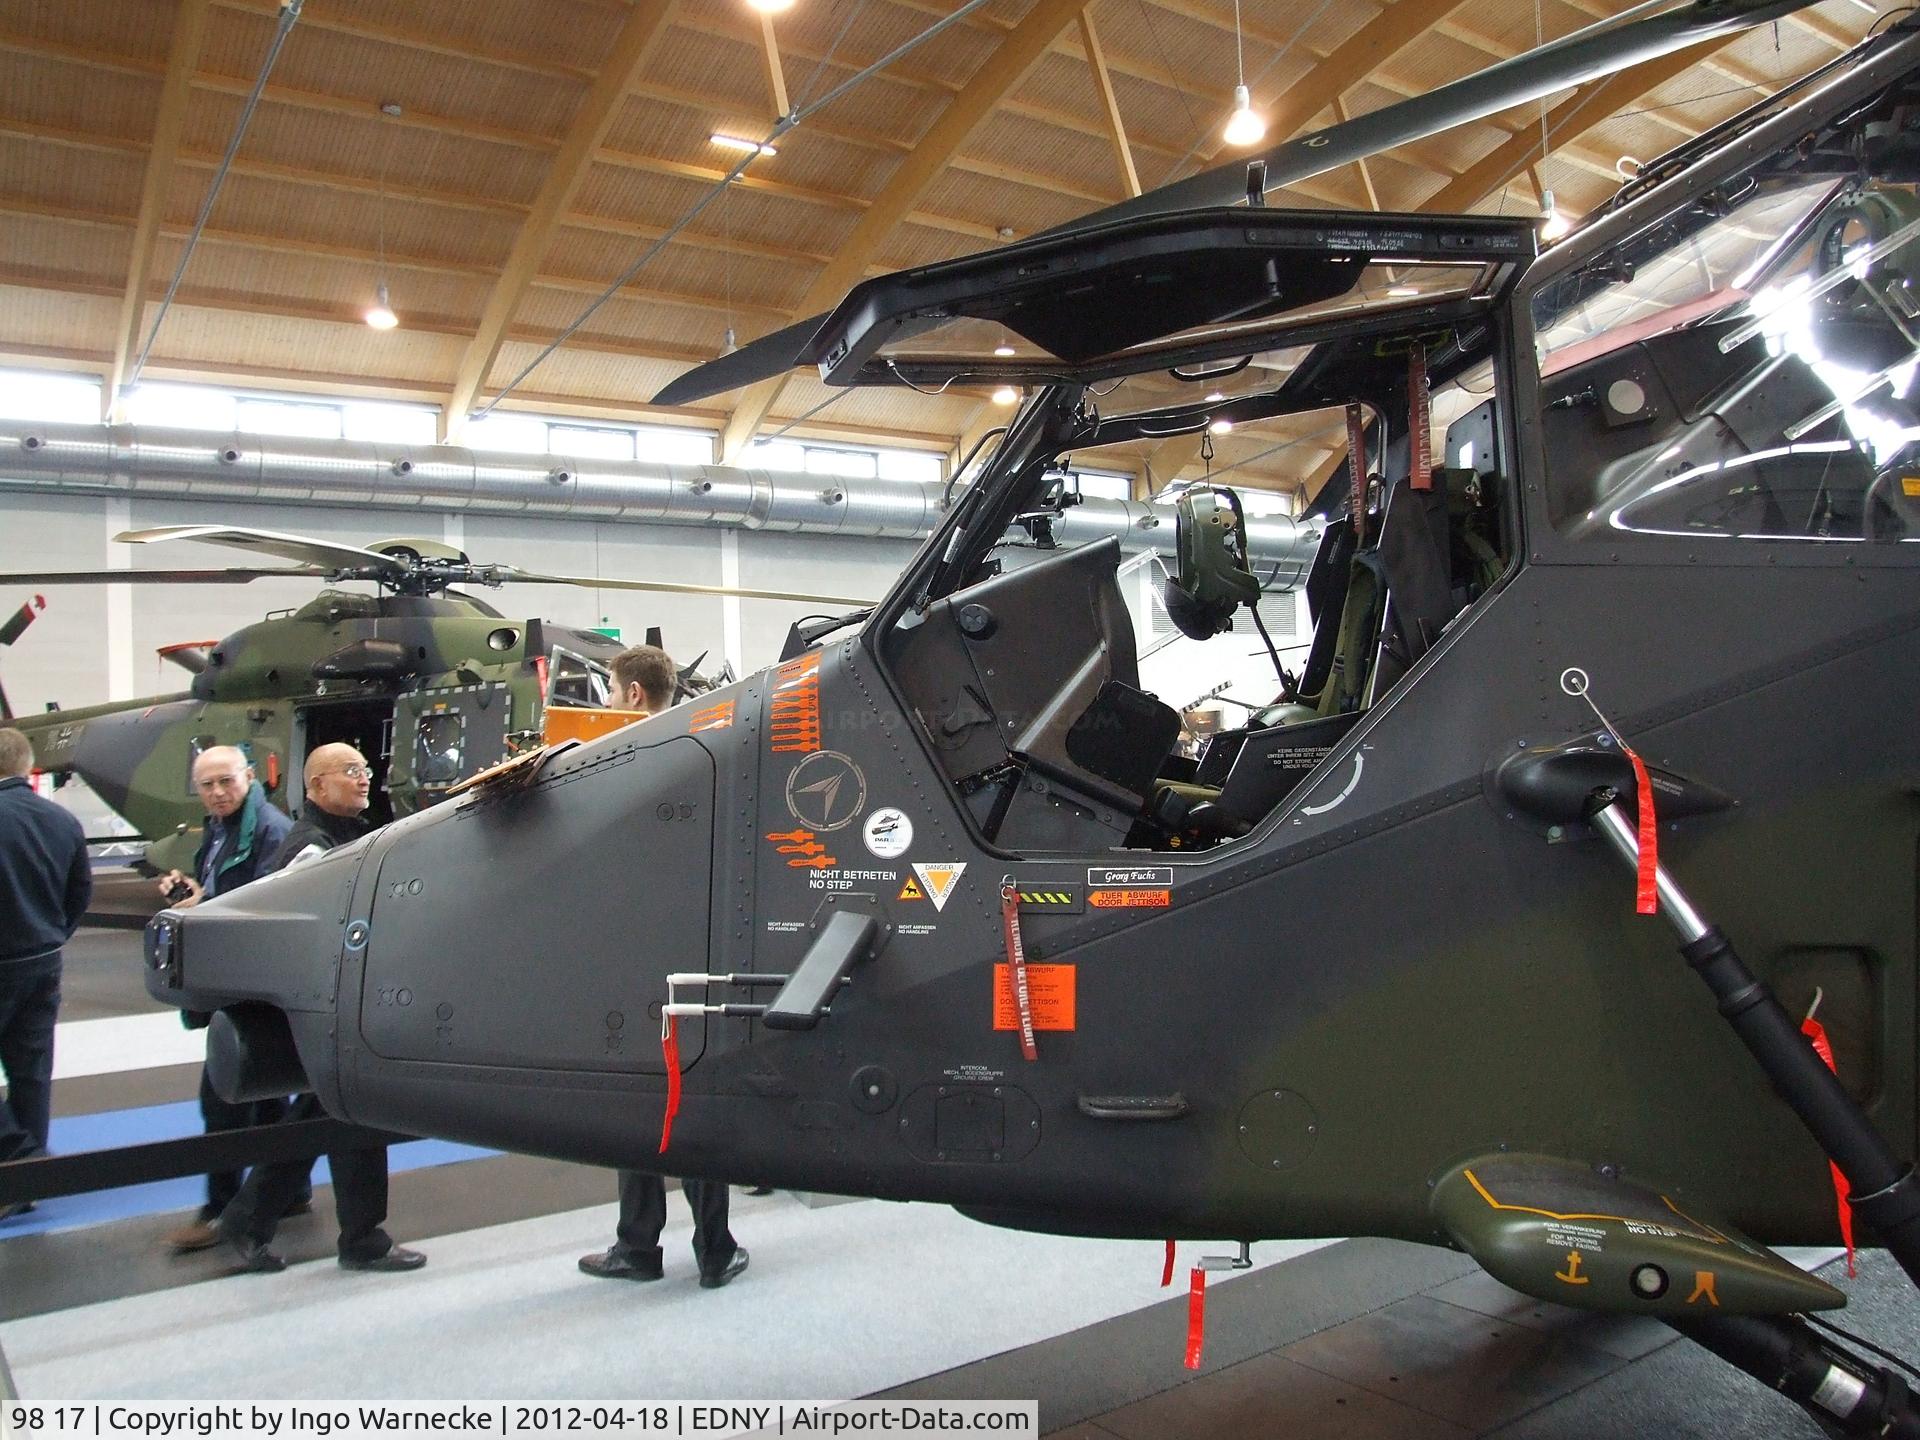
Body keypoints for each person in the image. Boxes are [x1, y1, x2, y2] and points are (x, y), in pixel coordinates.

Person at [215, 743, 426, 1274]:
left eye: (366, 769)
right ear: (315, 786)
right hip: (331, 1005)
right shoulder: (313, 849)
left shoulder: (349, 836)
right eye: (351, 771)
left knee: (331, 1112)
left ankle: (306, 1225)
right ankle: (350, 1234)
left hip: (342, 1003)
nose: (364, 779)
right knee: (341, 1110)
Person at [579, 646, 747, 1289]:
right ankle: (713, 1250)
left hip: (629, 956)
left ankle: (639, 1247)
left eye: (609, 691)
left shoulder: (614, 764)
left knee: (636, 1103)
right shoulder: (711, 753)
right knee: (692, 1098)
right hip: (697, 954)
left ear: (631, 696)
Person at [159, 744, 296, 1252]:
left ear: (250, 777)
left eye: (226, 781)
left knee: (223, 1098)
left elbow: (265, 904)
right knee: (268, 1095)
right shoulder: (221, 831)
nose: (217, 793)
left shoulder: (270, 831)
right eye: (207, 785)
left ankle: (220, 1207)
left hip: (251, 987)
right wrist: (194, 893)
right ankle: (289, 1190)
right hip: (235, 984)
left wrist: (206, 905)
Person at [0, 728, 90, 1223]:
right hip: (44, 960)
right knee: (31, 1071)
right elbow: (80, 893)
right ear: (27, 765)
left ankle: (19, 1154)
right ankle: (25, 1185)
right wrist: (52, 935)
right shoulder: (61, 819)